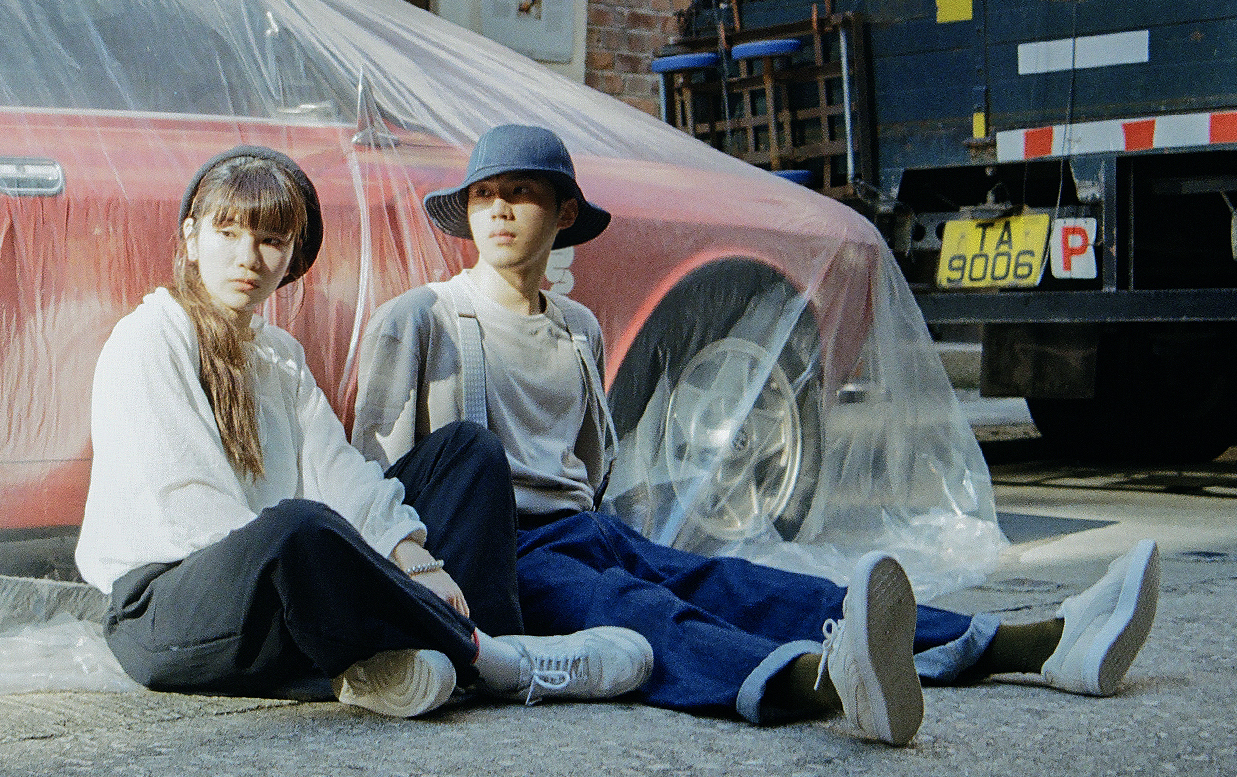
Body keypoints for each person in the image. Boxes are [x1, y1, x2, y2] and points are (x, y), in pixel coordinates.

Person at [352, 124, 1162, 744]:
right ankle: (829, 685)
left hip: (584, 531)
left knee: (745, 585)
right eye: (484, 195)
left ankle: (1038, 643)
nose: (498, 210)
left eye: (521, 192)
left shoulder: (578, 329)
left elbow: (589, 466)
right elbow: (374, 481)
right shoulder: (424, 319)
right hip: (500, 557)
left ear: (564, 213)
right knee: (643, 612)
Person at [73, 145, 657, 719]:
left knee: (468, 452)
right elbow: (193, 515)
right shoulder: (151, 337)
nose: (248, 258)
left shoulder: (279, 355)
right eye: (227, 233)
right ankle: (496, 661)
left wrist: (409, 551)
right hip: (171, 608)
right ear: (191, 238)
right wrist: (365, 573)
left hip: (288, 593)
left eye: (271, 240)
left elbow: (341, 472)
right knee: (298, 529)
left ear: (292, 257)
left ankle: (445, 652)